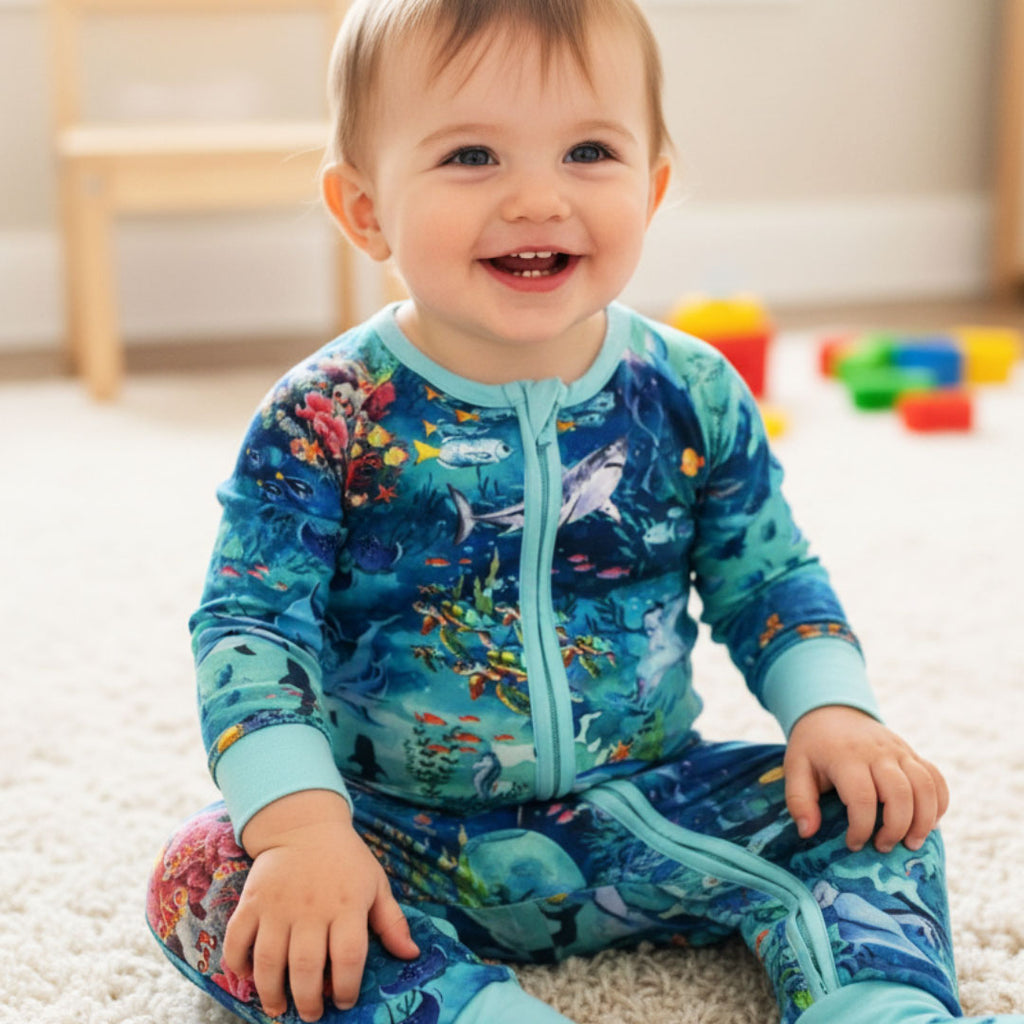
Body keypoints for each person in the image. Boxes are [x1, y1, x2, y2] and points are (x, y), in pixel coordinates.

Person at [146, 2, 1021, 1023]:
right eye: (471, 154)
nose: (535, 195)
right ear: (365, 209)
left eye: (588, 151)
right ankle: (471, 1010)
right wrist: (301, 828)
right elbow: (251, 628)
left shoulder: (685, 388)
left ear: (649, 188)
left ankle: (875, 1007)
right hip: (393, 838)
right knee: (209, 873)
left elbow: (767, 574)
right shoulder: (324, 415)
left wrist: (832, 711)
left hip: (649, 804)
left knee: (878, 809)